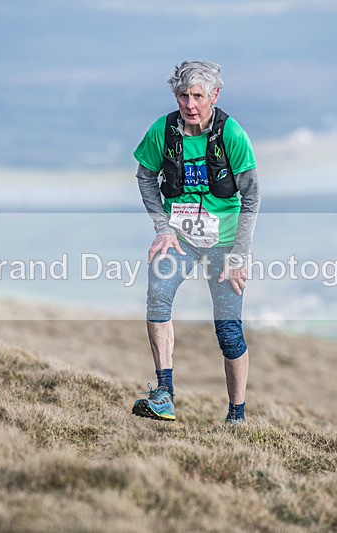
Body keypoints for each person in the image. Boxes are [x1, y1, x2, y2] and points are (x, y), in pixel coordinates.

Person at [131, 60, 260, 425]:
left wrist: (240, 255)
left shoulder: (232, 135)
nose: (190, 104)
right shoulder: (162, 131)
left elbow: (252, 197)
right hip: (180, 237)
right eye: (183, 96)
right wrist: (163, 227)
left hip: (225, 242)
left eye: (198, 96)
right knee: (157, 296)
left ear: (214, 95)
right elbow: (145, 177)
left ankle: (236, 416)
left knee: (228, 331)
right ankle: (164, 394)